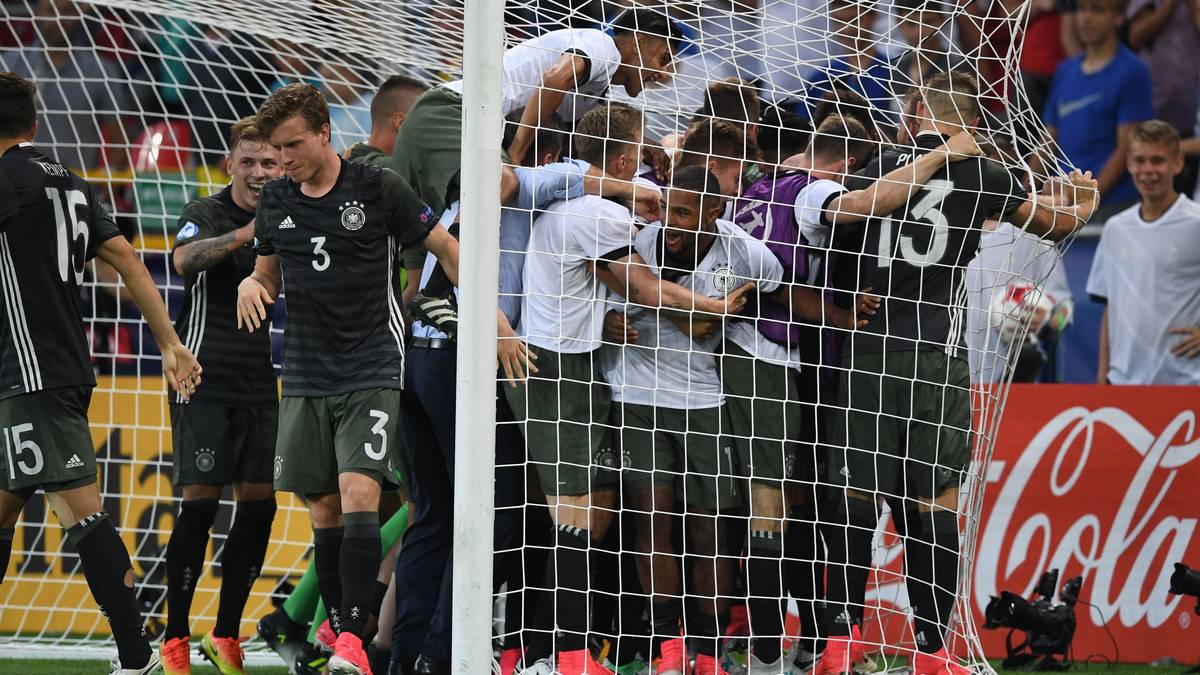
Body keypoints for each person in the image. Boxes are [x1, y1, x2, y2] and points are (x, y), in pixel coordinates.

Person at [813, 71, 1097, 675]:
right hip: (935, 359)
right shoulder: (985, 176)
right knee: (934, 502)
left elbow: (835, 253)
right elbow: (1057, 225)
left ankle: (838, 648)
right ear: (969, 124)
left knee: (856, 502)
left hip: (865, 355)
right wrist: (1083, 204)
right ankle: (934, 654)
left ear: (914, 113)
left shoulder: (873, 171)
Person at [504, 102, 750, 675]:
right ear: (619, 157)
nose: (645, 168)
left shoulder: (569, 203)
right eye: (639, 156)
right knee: (577, 519)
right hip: (557, 374)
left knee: (588, 516)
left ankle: (550, 652)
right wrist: (712, 304)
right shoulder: (598, 216)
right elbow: (646, 289)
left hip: (570, 369)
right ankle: (559, 658)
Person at [729, 114, 978, 673]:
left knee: (799, 504)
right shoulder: (819, 190)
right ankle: (799, 651)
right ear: (846, 164)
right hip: (796, 362)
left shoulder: (759, 186)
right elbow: (857, 208)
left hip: (778, 358)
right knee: (824, 505)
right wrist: (942, 155)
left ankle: (808, 647)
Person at [235, 82, 460, 675]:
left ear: (326, 132)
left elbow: (445, 247)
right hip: (306, 374)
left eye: (293, 146)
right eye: (276, 150)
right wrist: (251, 284)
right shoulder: (276, 199)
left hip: (372, 366)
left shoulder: (377, 186)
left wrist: (487, 316)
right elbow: (267, 274)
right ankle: (339, 636)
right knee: (326, 512)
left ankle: (355, 645)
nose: (283, 161)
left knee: (363, 494)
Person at [0, 71, 202, 675]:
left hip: (30, 372)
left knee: (80, 512)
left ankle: (136, 655)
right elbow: (130, 263)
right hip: (54, 366)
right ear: (34, 126)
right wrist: (168, 342)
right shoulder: (75, 185)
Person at [602, 165, 784, 675]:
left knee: (709, 531)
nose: (670, 223)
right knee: (652, 521)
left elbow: (772, 286)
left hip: (703, 400)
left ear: (714, 211)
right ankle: (667, 649)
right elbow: (601, 292)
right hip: (636, 394)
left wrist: (723, 315)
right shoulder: (639, 239)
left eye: (682, 212)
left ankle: (707, 651)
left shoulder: (744, 251)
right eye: (666, 209)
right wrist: (606, 321)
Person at [158, 117, 282, 675]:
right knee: (200, 505)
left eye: (269, 162)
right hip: (203, 379)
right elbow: (182, 262)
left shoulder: (293, 211)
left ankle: (227, 634)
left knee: (260, 507)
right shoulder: (204, 213)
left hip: (261, 381)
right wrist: (247, 233)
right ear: (231, 164)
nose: (259, 172)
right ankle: (176, 637)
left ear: (284, 165)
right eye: (249, 161)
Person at [392, 6, 677, 216]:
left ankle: (431, 294)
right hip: (453, 112)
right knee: (504, 182)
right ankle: (439, 292)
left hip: (443, 125)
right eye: (663, 58)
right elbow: (555, 78)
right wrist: (516, 153)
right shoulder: (601, 46)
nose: (664, 74)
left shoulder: (596, 87)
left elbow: (586, 142)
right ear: (639, 41)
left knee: (419, 247)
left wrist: (644, 147)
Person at [1087, 119, 1200, 385]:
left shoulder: (1197, 222)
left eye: (1158, 161)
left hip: (1186, 383)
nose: (1148, 170)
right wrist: (1102, 377)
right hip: (1122, 384)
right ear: (1128, 163)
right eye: (1140, 160)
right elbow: (1110, 307)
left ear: (1178, 164)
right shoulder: (1115, 228)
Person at [1042, 0, 1153, 217]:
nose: (1086, 17)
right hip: (1064, 205)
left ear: (1119, 17)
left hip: (1110, 206)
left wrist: (1087, 201)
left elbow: (1126, 149)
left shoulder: (1133, 72)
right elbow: (1049, 137)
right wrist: (1025, 189)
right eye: (1082, 8)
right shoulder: (1065, 70)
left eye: (1097, 9)